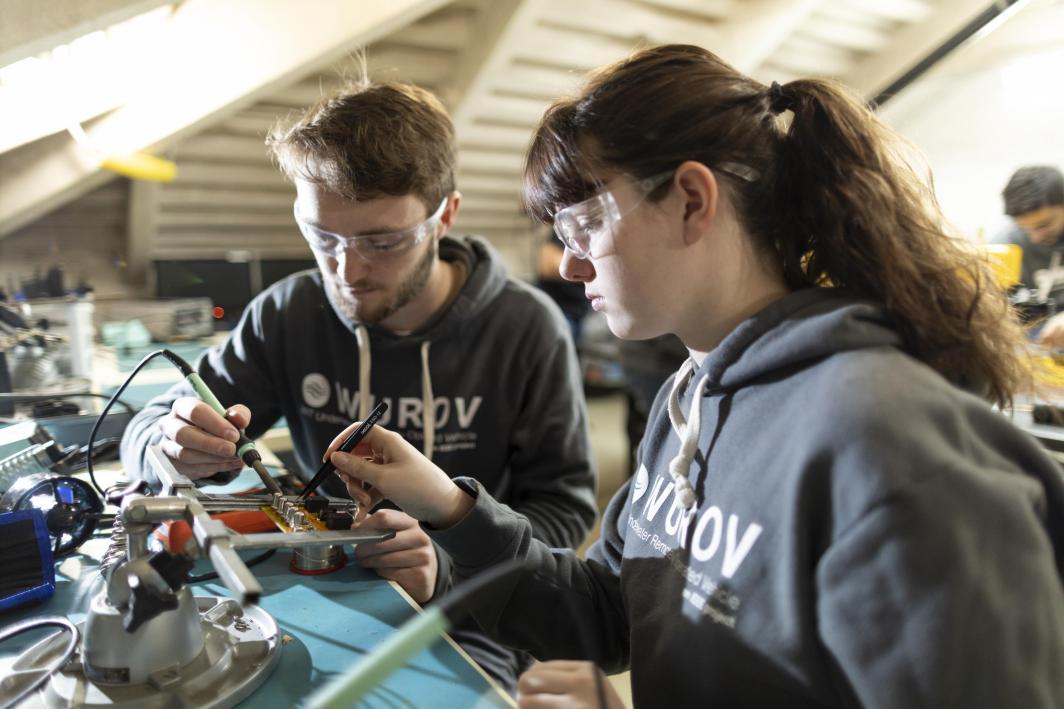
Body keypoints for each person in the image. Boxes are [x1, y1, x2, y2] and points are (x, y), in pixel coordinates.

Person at [322, 45, 1064, 708]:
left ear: (691, 199)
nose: (572, 264)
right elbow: (613, 613)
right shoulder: (693, 396)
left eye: (584, 228)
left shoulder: (890, 445)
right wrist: (452, 508)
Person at [118, 79, 598, 692]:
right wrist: (171, 443)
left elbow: (563, 513)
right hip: (319, 588)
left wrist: (447, 566)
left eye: (382, 241)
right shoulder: (286, 313)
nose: (348, 270)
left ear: (444, 215)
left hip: (472, 617)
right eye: (323, 237)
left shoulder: (526, 330)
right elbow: (147, 423)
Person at [992, 166, 1064, 347]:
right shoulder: (1005, 244)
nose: (1036, 237)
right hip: (1040, 333)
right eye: (1025, 228)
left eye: (1044, 225)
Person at [535, 229, 590, 344]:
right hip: (547, 305)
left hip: (571, 311)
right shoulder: (564, 227)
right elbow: (546, 263)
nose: (565, 270)